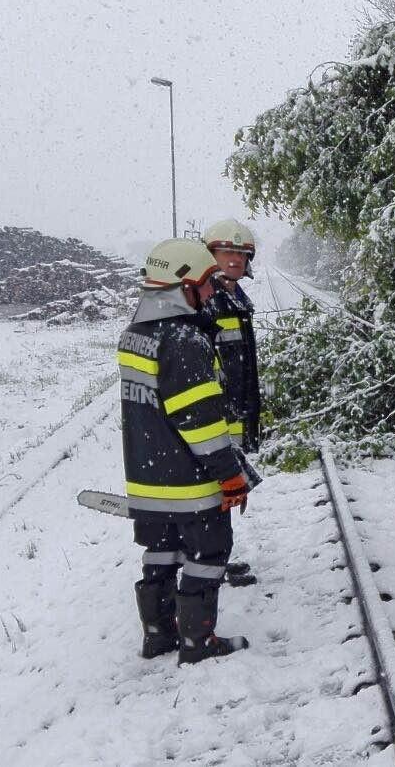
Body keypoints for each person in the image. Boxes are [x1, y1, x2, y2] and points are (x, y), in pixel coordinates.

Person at [119, 238, 253, 665]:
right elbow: (200, 421)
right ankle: (198, 643)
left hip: (146, 477)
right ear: (185, 285)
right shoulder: (184, 340)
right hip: (191, 480)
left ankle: (158, 635)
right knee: (208, 556)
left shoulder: (135, 334)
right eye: (207, 282)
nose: (213, 292)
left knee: (159, 554)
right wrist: (230, 474)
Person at [200, 219, 263, 587]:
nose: (235, 259)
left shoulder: (236, 298)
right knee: (214, 490)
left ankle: (217, 561)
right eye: (227, 251)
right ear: (210, 255)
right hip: (216, 414)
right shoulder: (206, 299)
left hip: (234, 413)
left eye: (241, 253)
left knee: (224, 491)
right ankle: (209, 564)